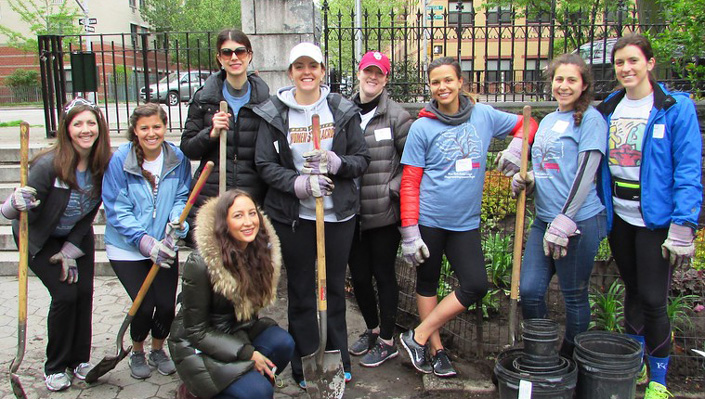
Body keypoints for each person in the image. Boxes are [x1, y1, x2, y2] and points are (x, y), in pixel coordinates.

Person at [398, 57, 536, 378]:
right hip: (429, 221)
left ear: (461, 82)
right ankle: (436, 350)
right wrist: (409, 230)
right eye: (435, 82)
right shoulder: (422, 127)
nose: (442, 87)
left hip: (464, 224)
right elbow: (410, 182)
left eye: (448, 80)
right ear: (429, 87)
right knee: (427, 282)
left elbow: (530, 124)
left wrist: (517, 148)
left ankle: (416, 335)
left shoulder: (484, 115)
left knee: (475, 285)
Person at [254, 42, 370, 388]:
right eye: (299, 66)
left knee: (333, 287)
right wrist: (300, 184)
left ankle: (338, 358)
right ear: (291, 73)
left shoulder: (341, 110)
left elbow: (362, 159)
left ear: (323, 70)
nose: (307, 72)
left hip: (338, 217)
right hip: (294, 218)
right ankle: (306, 363)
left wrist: (338, 163)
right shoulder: (275, 113)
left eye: (314, 66)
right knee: (303, 290)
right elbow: (264, 165)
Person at [595, 33, 702, 399]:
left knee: (654, 298)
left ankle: (659, 379)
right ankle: (637, 361)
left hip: (657, 221)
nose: (626, 68)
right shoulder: (610, 107)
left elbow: (688, 168)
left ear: (650, 63)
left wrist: (684, 223)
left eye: (633, 61)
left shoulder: (674, 107)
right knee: (633, 291)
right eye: (620, 62)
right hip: (620, 217)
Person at [0, 97, 112, 391]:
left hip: (75, 237)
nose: (86, 130)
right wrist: (15, 202)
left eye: (91, 123)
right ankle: (56, 366)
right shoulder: (48, 165)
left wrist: (71, 249)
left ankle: (79, 361)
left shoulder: (102, 166)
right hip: (40, 238)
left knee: (84, 293)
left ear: (100, 127)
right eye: (78, 124)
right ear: (67, 129)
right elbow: (11, 212)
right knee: (65, 295)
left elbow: (89, 212)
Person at [511, 53, 608, 359]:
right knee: (530, 291)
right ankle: (543, 355)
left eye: (571, 80)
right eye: (559, 79)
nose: (563, 86)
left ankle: (570, 360)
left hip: (578, 223)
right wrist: (527, 179)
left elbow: (586, 170)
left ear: (584, 85)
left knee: (574, 296)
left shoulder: (592, 119)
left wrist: (566, 220)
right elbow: (547, 166)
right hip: (543, 221)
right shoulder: (551, 120)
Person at [168, 190, 294, 399]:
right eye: (238, 216)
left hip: (235, 331)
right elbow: (196, 332)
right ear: (223, 222)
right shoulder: (201, 263)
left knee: (283, 343)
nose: (248, 222)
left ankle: (243, 384)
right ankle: (193, 391)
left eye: (252, 213)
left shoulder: (258, 252)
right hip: (196, 345)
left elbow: (249, 313)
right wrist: (248, 353)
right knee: (260, 392)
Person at [102, 103, 192, 380]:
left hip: (165, 245)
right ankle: (138, 351)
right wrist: (144, 242)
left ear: (165, 127)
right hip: (127, 247)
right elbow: (117, 208)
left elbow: (181, 197)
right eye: (144, 128)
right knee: (143, 305)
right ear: (135, 130)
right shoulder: (121, 160)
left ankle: (158, 349)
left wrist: (178, 222)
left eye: (157, 126)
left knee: (165, 306)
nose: (151, 133)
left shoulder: (177, 158)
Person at [346, 51, 411, 367]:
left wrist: (392, 190)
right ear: (359, 73)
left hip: (383, 213)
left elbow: (411, 163)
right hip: (350, 212)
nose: (373, 77)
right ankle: (371, 329)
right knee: (358, 277)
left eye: (379, 73)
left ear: (385, 79)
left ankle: (388, 339)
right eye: (368, 71)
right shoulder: (342, 111)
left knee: (383, 274)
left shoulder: (397, 117)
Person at [180, 29, 270, 247]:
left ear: (249, 55)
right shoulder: (204, 98)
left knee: (248, 269)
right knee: (213, 270)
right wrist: (209, 134)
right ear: (219, 58)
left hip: (251, 197)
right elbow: (188, 148)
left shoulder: (266, 102)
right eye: (227, 52)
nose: (234, 57)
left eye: (240, 51)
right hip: (212, 195)